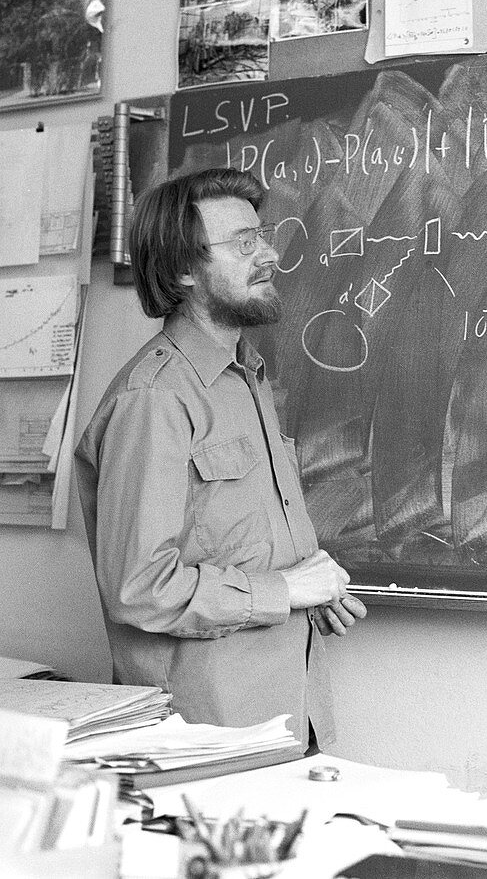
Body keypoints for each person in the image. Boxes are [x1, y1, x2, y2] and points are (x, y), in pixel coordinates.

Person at [75, 168, 365, 752]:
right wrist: (284, 589)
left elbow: (229, 537)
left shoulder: (247, 379)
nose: (271, 254)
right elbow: (139, 587)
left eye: (262, 235)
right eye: (244, 243)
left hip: (290, 715)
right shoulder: (155, 398)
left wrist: (310, 586)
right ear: (184, 268)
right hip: (205, 739)